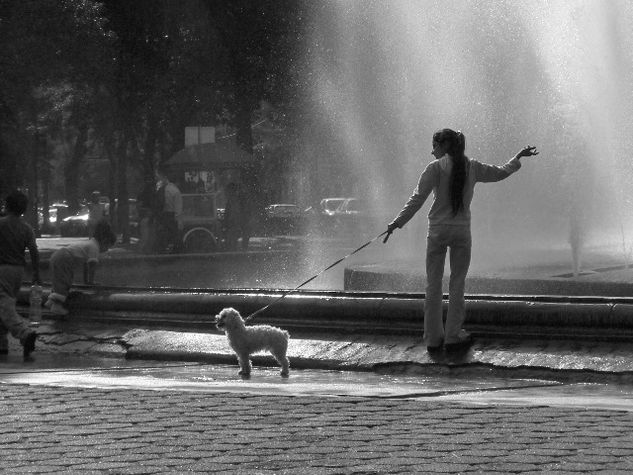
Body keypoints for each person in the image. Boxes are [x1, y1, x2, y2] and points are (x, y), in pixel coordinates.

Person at [384, 128, 539, 353]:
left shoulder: (434, 168)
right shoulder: (472, 166)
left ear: (444, 146)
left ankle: (433, 338)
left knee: (433, 284)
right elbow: (500, 173)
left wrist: (396, 223)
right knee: (457, 283)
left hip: (437, 232)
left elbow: (417, 199)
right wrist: (517, 158)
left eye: (434, 146)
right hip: (461, 232)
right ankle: (453, 335)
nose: (431, 151)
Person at [45, 221, 116, 315]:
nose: (106, 250)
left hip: (58, 255)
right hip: (65, 258)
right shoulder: (94, 247)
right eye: (107, 247)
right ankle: (57, 306)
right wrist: (91, 281)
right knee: (64, 281)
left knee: (58, 280)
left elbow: (86, 266)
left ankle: (51, 302)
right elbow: (92, 266)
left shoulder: (91, 243)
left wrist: (87, 281)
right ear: (104, 241)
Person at [0, 190, 40, 358]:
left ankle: (24, 333)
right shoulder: (26, 228)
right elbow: (33, 251)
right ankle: (2, 342)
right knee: (5, 304)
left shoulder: (1, 224)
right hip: (18, 271)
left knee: (4, 305)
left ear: (7, 206)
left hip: (2, 269)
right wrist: (36, 273)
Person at [154, 166, 183, 253]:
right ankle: (173, 253)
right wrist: (179, 222)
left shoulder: (162, 190)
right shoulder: (175, 191)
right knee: (173, 237)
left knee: (163, 237)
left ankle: (162, 252)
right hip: (171, 217)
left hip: (162, 216)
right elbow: (178, 209)